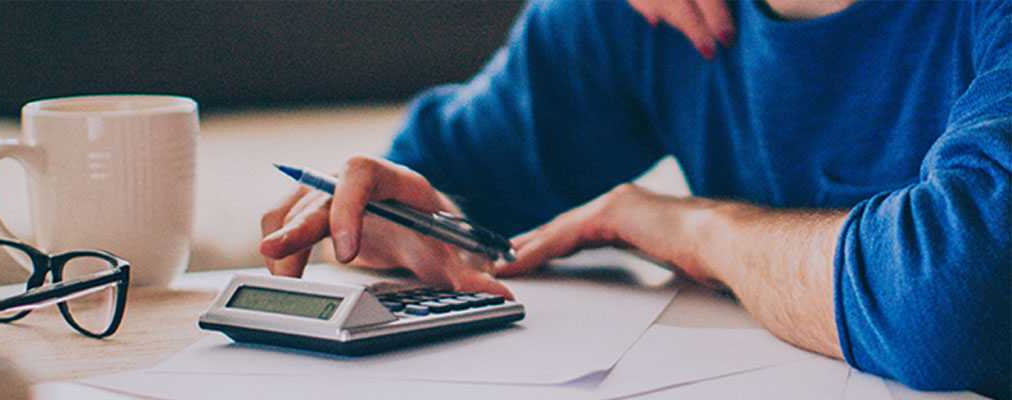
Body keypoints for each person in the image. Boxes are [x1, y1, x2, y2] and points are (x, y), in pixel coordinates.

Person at [259, 0, 1010, 397]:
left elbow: (957, 294)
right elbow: (436, 180)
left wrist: (699, 230)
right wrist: (400, 220)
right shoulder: (649, 14)